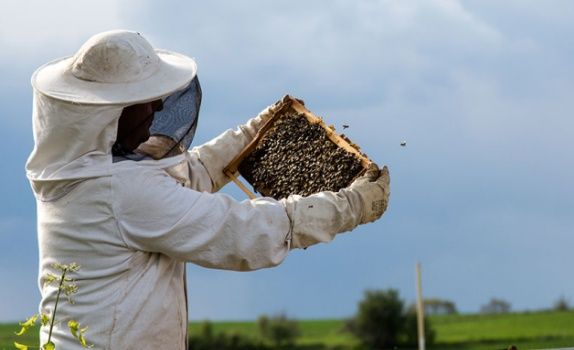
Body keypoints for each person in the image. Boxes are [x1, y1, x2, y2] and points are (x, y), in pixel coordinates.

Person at [26, 30, 390, 349]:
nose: (155, 107)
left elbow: (187, 174)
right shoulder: (119, 193)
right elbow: (243, 231)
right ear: (108, 114)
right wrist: (351, 206)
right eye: (141, 100)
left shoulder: (87, 174)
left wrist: (254, 135)